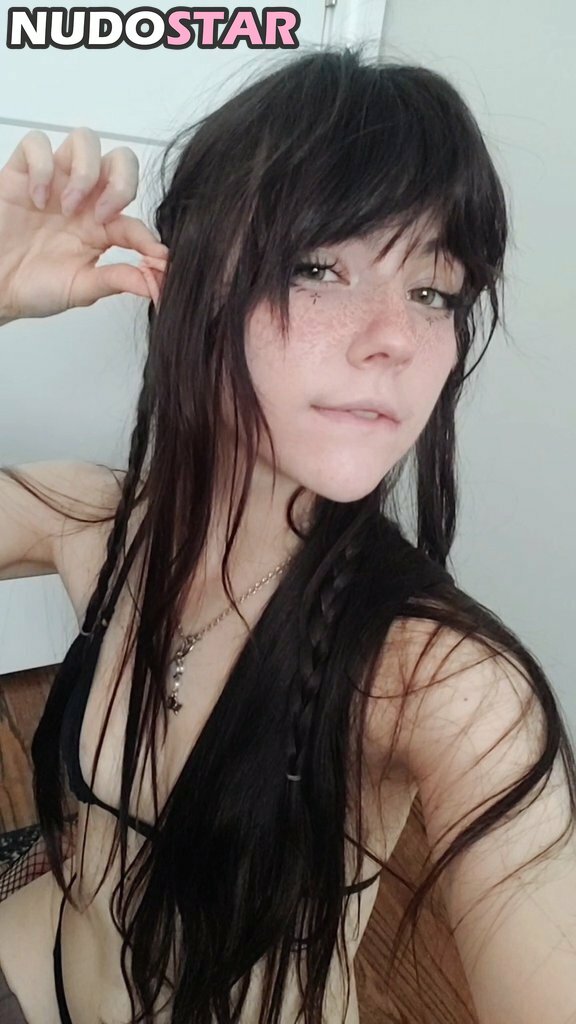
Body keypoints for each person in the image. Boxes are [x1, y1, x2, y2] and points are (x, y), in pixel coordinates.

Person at [0, 42, 575, 1024]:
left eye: (434, 290)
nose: (395, 336)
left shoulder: (443, 683)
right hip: (29, 954)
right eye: (319, 267)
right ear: (183, 282)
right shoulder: (87, 518)